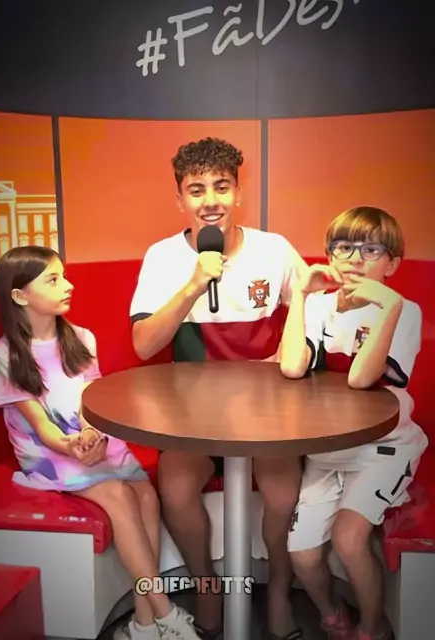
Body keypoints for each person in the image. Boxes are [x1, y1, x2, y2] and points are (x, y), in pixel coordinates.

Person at [129, 137, 308, 640]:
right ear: (180, 199)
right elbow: (143, 344)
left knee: (282, 494)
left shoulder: (274, 249)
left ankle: (279, 591)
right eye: (197, 189)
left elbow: (311, 308)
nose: (211, 200)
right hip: (191, 413)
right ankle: (207, 588)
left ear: (238, 193)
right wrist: (192, 284)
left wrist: (286, 352)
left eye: (222, 187)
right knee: (176, 488)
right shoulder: (162, 257)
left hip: (268, 410)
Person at [0, 245, 204, 640]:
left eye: (64, 276)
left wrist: (92, 434)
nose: (68, 285)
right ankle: (165, 611)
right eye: (53, 280)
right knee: (119, 495)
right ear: (20, 296)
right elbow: (40, 425)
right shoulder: (5, 356)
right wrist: (72, 446)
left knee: (147, 495)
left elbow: (91, 402)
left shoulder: (81, 339)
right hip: (49, 454)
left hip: (95, 440)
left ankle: (142, 623)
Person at [279, 206, 429, 640]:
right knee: (302, 554)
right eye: (343, 248)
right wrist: (301, 296)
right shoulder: (319, 305)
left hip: (385, 448)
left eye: (371, 250)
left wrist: (389, 305)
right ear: (330, 255)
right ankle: (334, 618)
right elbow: (291, 367)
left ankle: (371, 629)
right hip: (326, 451)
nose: (355, 259)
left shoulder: (405, 311)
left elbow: (362, 378)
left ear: (391, 264)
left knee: (348, 539)